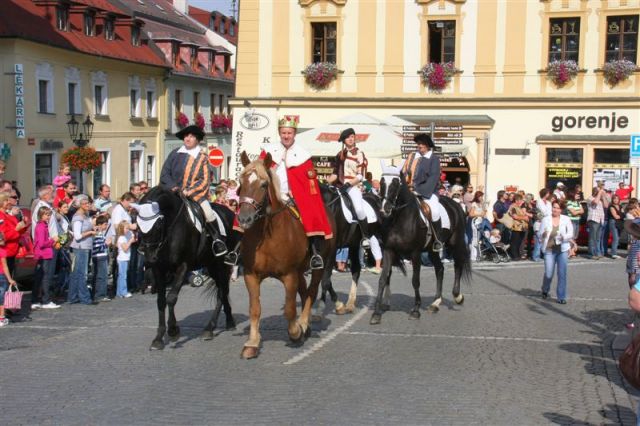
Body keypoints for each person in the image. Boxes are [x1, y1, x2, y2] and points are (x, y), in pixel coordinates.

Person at [259, 115, 333, 269]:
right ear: (280, 133)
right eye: (284, 133)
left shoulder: (303, 155)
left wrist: (298, 192)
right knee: (250, 212)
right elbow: (258, 172)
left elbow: (310, 182)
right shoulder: (268, 151)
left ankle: (314, 252)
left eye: (289, 133)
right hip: (270, 196)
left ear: (294, 134)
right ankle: (238, 250)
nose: (286, 136)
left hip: (293, 197)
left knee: (308, 215)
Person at [160, 124, 227, 256]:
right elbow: (165, 173)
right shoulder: (174, 153)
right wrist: (173, 187)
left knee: (208, 212)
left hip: (193, 195)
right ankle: (149, 242)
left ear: (197, 140)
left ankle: (217, 241)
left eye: (191, 136)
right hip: (172, 192)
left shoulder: (202, 157)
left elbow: (205, 180)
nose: (188, 139)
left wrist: (189, 191)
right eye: (186, 136)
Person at [402, 133, 450, 251]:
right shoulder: (413, 157)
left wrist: (418, 190)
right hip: (410, 190)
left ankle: (437, 240)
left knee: (434, 211)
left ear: (428, 146)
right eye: (418, 145)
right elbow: (404, 172)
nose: (419, 147)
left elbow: (433, 177)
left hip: (428, 192)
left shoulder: (433, 159)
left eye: (422, 145)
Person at [328, 127, 372, 248]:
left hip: (353, 185)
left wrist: (348, 184)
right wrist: (326, 183)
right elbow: (335, 174)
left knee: (358, 209)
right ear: (344, 140)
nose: (351, 139)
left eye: (352, 136)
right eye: (348, 137)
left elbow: (360, 175)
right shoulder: (339, 155)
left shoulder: (359, 153)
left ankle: (365, 236)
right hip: (339, 185)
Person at [538, 199, 573, 304]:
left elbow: (571, 233)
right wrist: (543, 235)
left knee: (562, 273)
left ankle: (561, 296)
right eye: (554, 207)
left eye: (558, 208)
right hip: (549, 249)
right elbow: (540, 235)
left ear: (561, 209)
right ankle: (545, 289)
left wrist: (564, 237)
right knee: (549, 273)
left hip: (562, 249)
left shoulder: (566, 219)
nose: (555, 210)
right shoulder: (546, 219)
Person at [68, 195, 96, 305]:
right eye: (85, 203)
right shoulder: (78, 218)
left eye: (88, 203)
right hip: (80, 248)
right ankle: (84, 297)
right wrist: (90, 232)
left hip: (85, 247)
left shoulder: (85, 215)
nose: (87, 205)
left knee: (76, 273)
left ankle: (73, 296)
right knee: (81, 273)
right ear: (79, 205)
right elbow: (78, 236)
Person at [32, 206, 60, 310]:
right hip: (43, 254)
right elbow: (42, 243)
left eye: (49, 215)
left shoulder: (43, 225)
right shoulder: (40, 226)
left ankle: (37, 300)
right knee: (45, 278)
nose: (48, 217)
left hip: (45, 254)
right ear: (41, 215)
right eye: (46, 215)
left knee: (41, 277)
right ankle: (45, 300)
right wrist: (53, 240)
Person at [92, 215, 111, 302]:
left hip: (102, 256)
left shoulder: (101, 233)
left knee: (100, 276)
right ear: (99, 225)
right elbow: (96, 246)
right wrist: (106, 244)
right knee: (102, 276)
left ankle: (99, 293)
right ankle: (100, 294)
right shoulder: (97, 233)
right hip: (99, 257)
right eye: (105, 224)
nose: (106, 226)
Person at [0, 234, 16, 327]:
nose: (4, 240)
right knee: (1, 299)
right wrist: (10, 279)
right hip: (1, 276)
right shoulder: (2, 251)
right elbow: (5, 267)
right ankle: (1, 318)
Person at [115, 221, 134, 299]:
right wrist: (130, 241)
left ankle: (119, 292)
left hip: (125, 258)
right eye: (126, 228)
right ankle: (123, 291)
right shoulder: (122, 238)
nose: (127, 230)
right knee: (123, 276)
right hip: (122, 259)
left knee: (121, 275)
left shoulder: (124, 237)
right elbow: (125, 248)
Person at [507, 194, 529, 260]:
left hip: (521, 227)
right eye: (520, 200)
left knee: (519, 242)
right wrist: (524, 218)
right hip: (516, 227)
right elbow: (514, 216)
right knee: (514, 242)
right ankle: (514, 255)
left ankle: (517, 255)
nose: (521, 201)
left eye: (521, 200)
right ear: (516, 200)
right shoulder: (513, 207)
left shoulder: (519, 207)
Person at [587, 186, 606, 259]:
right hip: (593, 219)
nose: (599, 192)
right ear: (595, 191)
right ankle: (591, 254)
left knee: (598, 238)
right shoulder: (590, 198)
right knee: (592, 238)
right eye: (598, 191)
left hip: (600, 220)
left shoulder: (600, 199)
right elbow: (595, 202)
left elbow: (606, 205)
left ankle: (597, 252)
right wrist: (600, 193)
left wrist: (603, 196)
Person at [606, 194, 623, 259]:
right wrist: (620, 215)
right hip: (613, 222)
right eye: (614, 199)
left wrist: (620, 216)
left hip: (619, 223)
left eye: (617, 199)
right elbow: (615, 216)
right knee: (615, 238)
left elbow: (623, 215)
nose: (616, 200)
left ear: (619, 200)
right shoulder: (611, 207)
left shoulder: (620, 206)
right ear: (612, 200)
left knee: (618, 238)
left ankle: (614, 252)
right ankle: (613, 253)